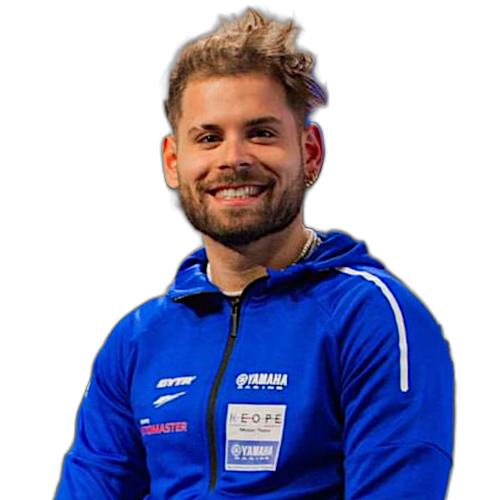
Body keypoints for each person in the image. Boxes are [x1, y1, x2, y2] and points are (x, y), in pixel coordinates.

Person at [55, 8, 454, 500]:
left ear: (310, 153)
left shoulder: (372, 318)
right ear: (173, 162)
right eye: (209, 138)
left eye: (261, 133)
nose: (234, 159)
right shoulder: (136, 340)